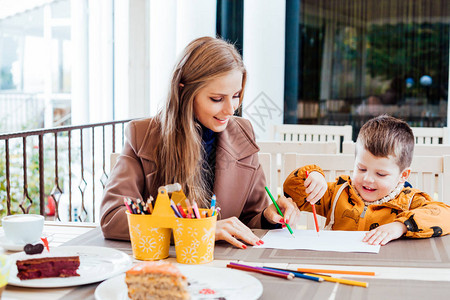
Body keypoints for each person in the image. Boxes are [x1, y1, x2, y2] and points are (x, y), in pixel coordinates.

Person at [100, 36, 300, 249]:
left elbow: (250, 217)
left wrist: (268, 217)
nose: (231, 110)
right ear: (184, 92)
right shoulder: (144, 135)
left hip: (227, 268)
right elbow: (112, 218)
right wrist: (197, 230)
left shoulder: (242, 133)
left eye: (236, 96)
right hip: (168, 267)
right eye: (217, 99)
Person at [283, 115, 450, 245]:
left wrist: (400, 226)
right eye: (361, 169)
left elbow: (445, 215)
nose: (367, 179)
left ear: (403, 176)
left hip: (385, 267)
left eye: (381, 174)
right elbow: (291, 192)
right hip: (337, 265)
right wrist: (312, 174)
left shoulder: (409, 200)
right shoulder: (338, 193)